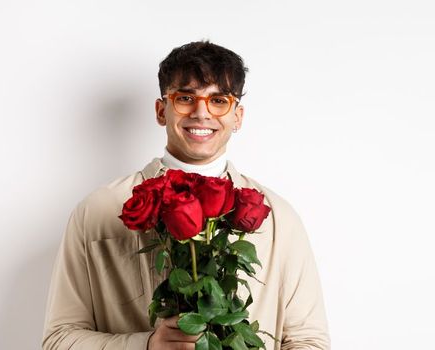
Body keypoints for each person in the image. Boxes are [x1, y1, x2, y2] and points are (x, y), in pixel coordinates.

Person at [42, 40, 330, 350]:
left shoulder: (278, 216)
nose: (201, 112)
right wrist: (147, 345)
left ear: (238, 116)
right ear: (161, 110)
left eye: (218, 100)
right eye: (185, 98)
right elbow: (59, 339)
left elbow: (308, 340)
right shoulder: (98, 210)